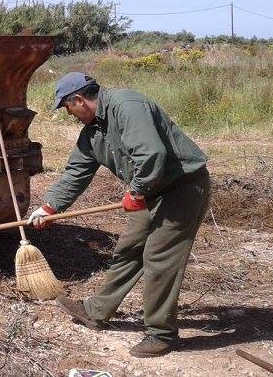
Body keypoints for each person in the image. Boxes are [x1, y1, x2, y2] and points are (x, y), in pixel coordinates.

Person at [28, 72, 210, 358]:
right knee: (129, 250)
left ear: (78, 100)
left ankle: (162, 334)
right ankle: (96, 311)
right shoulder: (92, 132)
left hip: (181, 189)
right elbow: (76, 173)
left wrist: (136, 193)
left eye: (67, 107)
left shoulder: (126, 106)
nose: (68, 114)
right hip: (151, 191)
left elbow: (151, 154)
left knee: (159, 258)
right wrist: (49, 207)